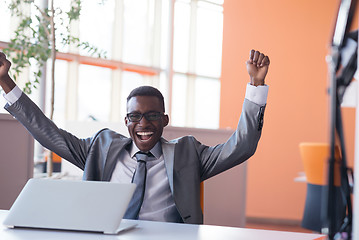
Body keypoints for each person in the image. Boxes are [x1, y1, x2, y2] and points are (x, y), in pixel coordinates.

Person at [0, 49, 270, 224]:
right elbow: (48, 134)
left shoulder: (188, 154)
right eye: (135, 117)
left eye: (153, 116)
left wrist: (256, 86)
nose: (144, 124)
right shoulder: (101, 148)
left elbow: (242, 146)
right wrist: (6, 82)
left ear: (165, 120)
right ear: (126, 121)